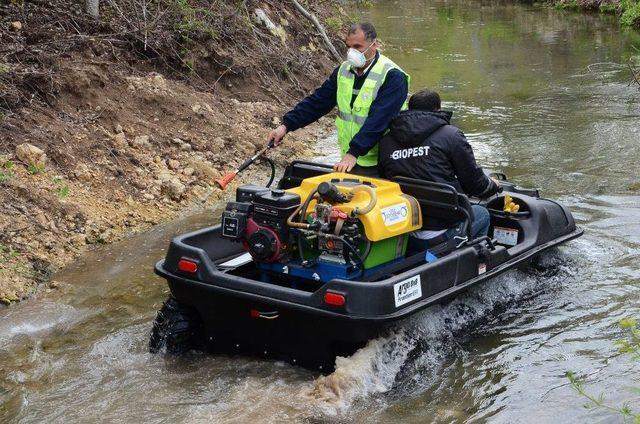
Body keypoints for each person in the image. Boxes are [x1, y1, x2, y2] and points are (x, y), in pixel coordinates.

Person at [266, 22, 409, 177]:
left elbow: (380, 119)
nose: (351, 52)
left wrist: (354, 152)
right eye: (349, 46)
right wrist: (286, 125)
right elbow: (318, 102)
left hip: (383, 160)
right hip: (351, 159)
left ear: (374, 45)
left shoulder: (393, 76)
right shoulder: (343, 71)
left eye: (357, 47)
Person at [378, 88, 501, 251]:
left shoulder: (386, 141)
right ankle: (474, 259)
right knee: (482, 214)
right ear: (438, 109)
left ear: (409, 109)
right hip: (443, 229)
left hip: (406, 226)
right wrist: (493, 185)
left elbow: (383, 178)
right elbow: (474, 184)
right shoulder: (451, 135)